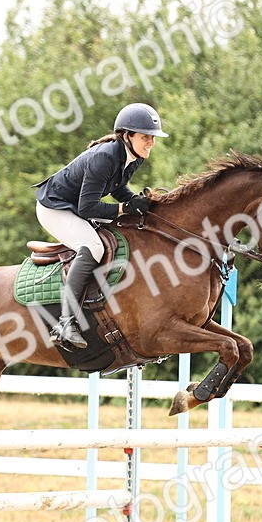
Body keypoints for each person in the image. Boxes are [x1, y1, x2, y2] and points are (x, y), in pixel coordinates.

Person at [33, 102, 168, 350]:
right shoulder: (104, 157)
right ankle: (64, 323)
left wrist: (133, 201)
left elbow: (116, 187)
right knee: (93, 246)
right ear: (127, 136)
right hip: (55, 208)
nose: (151, 143)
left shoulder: (134, 157)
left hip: (76, 205)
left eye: (153, 137)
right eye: (145, 137)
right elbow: (87, 208)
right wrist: (124, 208)